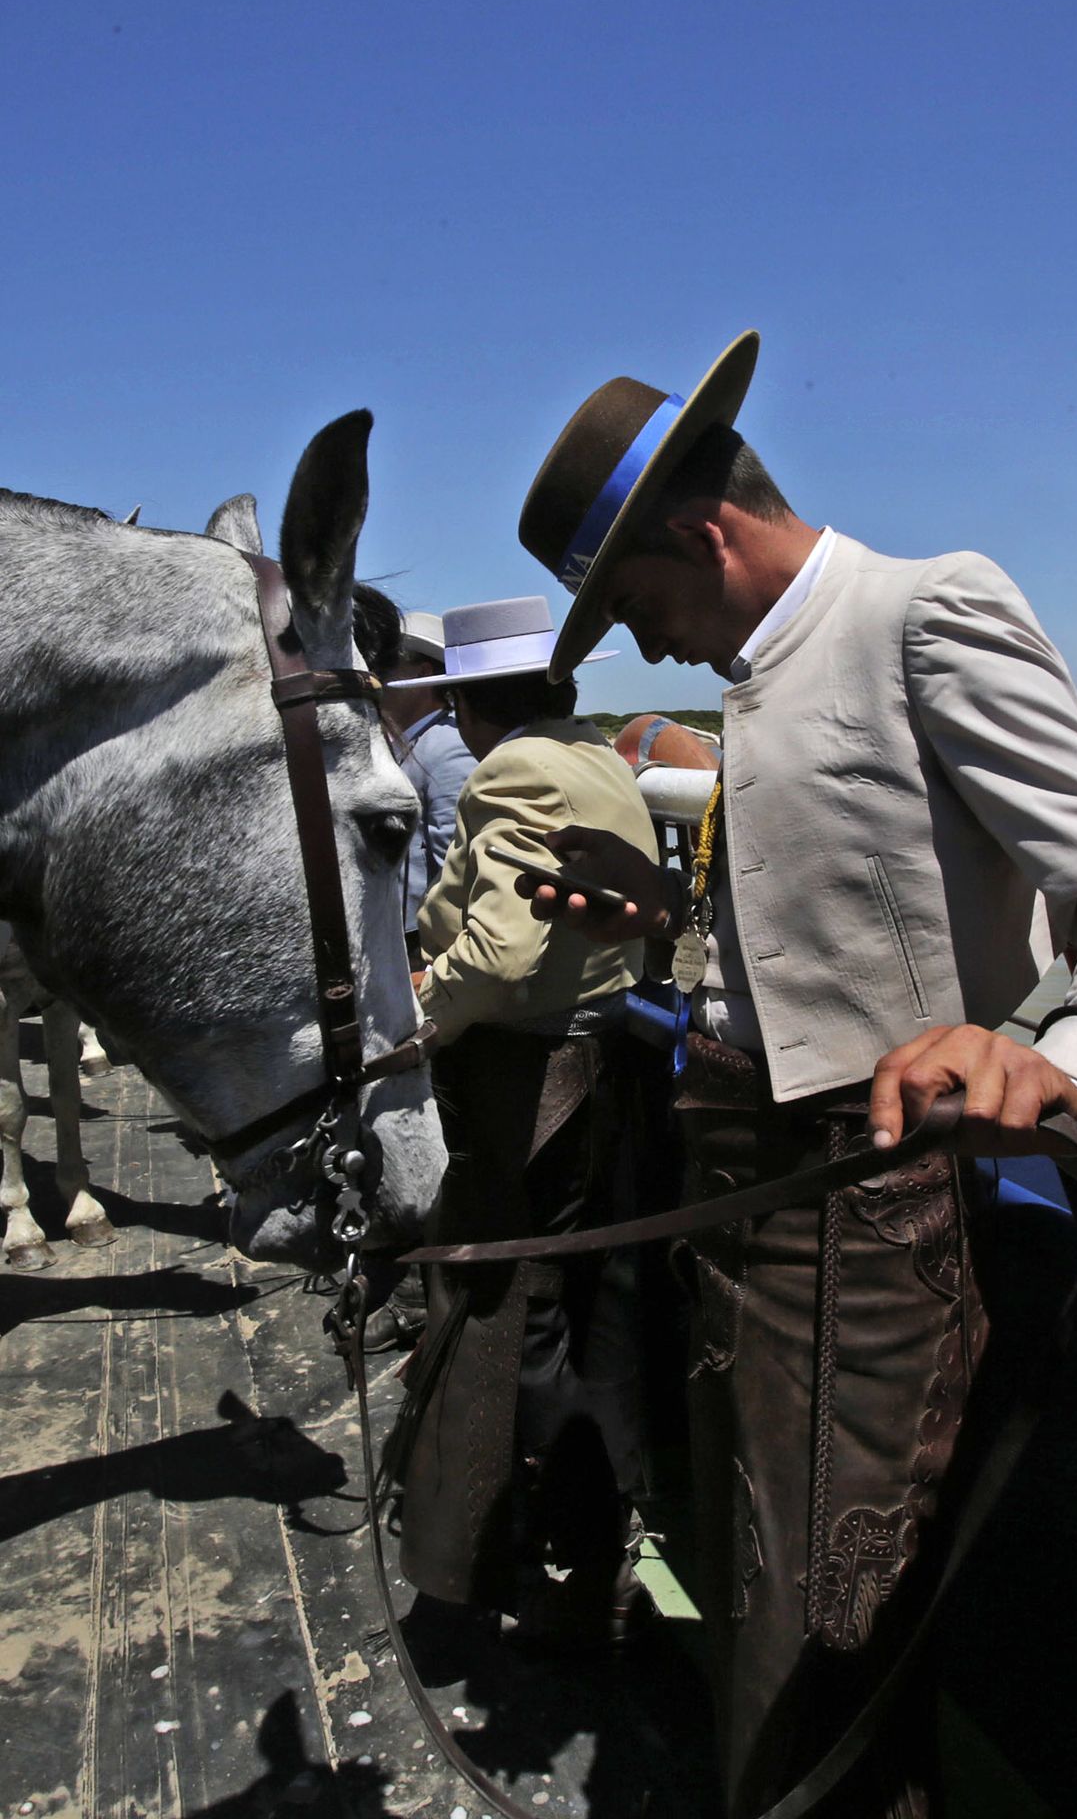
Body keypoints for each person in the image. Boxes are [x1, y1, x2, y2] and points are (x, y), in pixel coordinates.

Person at [513, 332, 1077, 1817]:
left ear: (703, 533)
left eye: (637, 602)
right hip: (738, 1219)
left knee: (833, 1638)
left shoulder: (924, 613)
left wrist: (1066, 1058)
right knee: (755, 1597)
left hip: (871, 1229)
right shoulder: (757, 679)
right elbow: (835, 910)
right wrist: (661, 918)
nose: (641, 647)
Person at [388, 595, 663, 1662]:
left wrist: (417, 1014)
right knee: (576, 1310)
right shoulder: (597, 758)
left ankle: (540, 1552)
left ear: (461, 703)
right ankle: (582, 1544)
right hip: (600, 1064)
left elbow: (498, 957)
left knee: (513, 1316)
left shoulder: (507, 772)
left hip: (523, 1079)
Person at [377, 610, 476, 957]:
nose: (375, 677)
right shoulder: (414, 742)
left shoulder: (447, 748)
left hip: (422, 944)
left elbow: (457, 865)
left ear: (422, 675)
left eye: (386, 665)